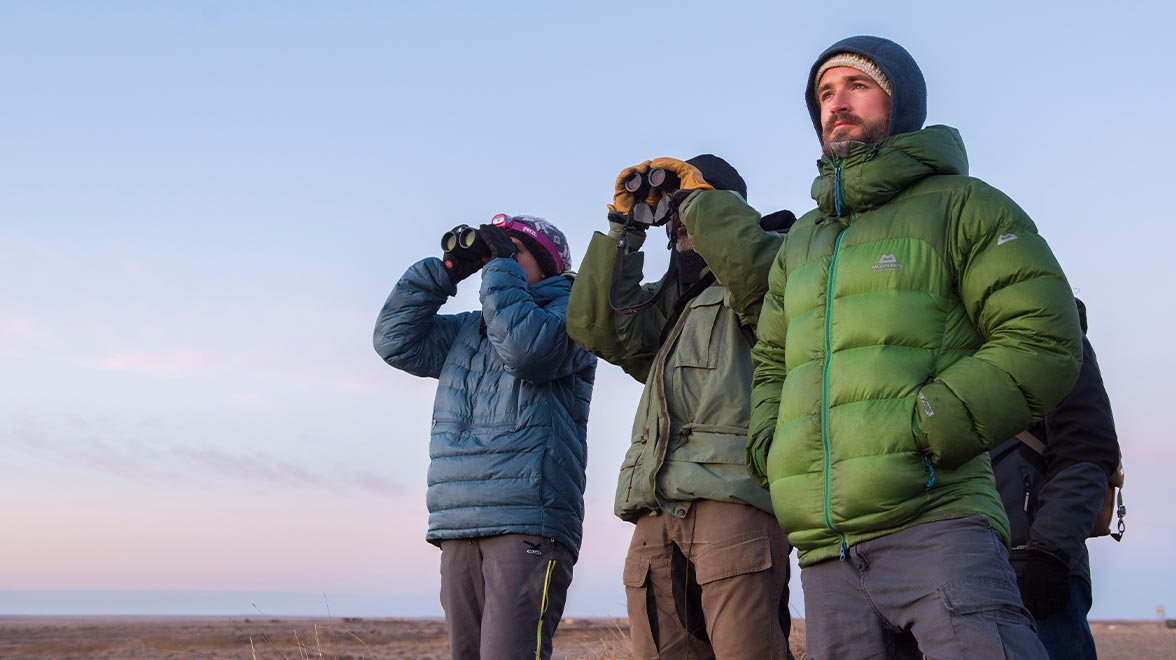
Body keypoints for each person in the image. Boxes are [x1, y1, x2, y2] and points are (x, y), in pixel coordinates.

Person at [655, 36, 1084, 657]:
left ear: (900, 101)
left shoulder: (965, 205)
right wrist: (774, 451)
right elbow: (774, 360)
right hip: (826, 550)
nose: (837, 104)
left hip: (938, 524)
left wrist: (926, 424)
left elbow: (1042, 338)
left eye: (857, 85)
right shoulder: (804, 241)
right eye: (825, 94)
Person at [566, 155, 796, 659]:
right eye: (672, 209)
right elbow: (593, 325)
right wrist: (623, 230)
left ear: (726, 206)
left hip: (734, 501)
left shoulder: (778, 261)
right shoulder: (672, 302)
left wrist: (697, 199)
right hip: (653, 506)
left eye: (688, 202)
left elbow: (755, 272)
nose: (678, 218)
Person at [373, 214, 597, 660]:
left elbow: (527, 351)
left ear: (547, 263)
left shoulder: (573, 315)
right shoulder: (466, 329)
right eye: (498, 250)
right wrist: (448, 272)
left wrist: (498, 267)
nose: (501, 258)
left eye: (515, 250)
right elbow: (395, 342)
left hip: (527, 518)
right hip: (459, 519)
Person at [991, 299, 1120, 659]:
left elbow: (1086, 450)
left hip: (1033, 565)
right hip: (952, 566)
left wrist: (1050, 553)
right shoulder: (934, 331)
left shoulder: (1050, 326)